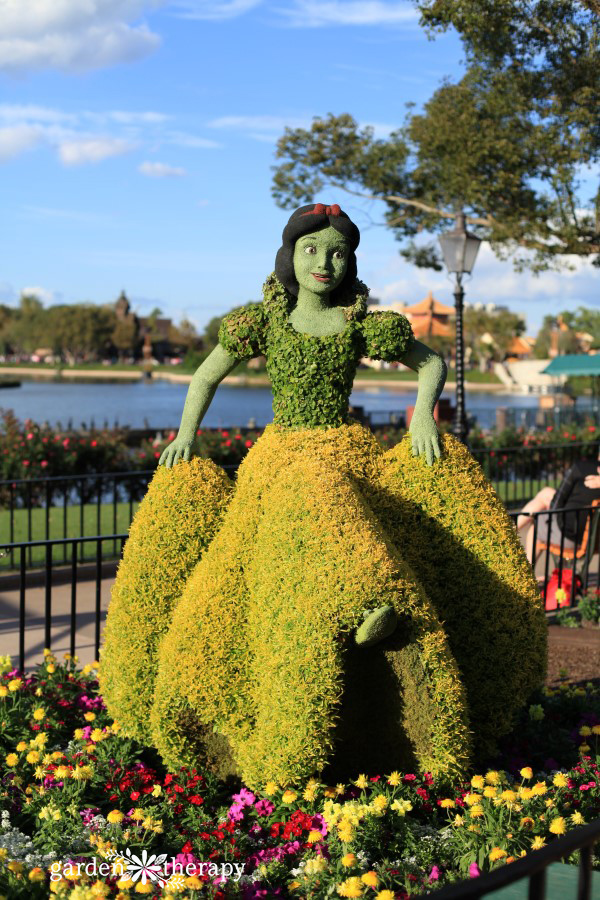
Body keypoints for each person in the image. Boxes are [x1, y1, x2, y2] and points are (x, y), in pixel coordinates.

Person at [517, 449, 600, 562]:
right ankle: (511, 529)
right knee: (546, 494)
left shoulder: (582, 467)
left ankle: (525, 572)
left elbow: (558, 500)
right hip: (594, 541)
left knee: (538, 522)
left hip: (573, 538)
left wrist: (552, 511)